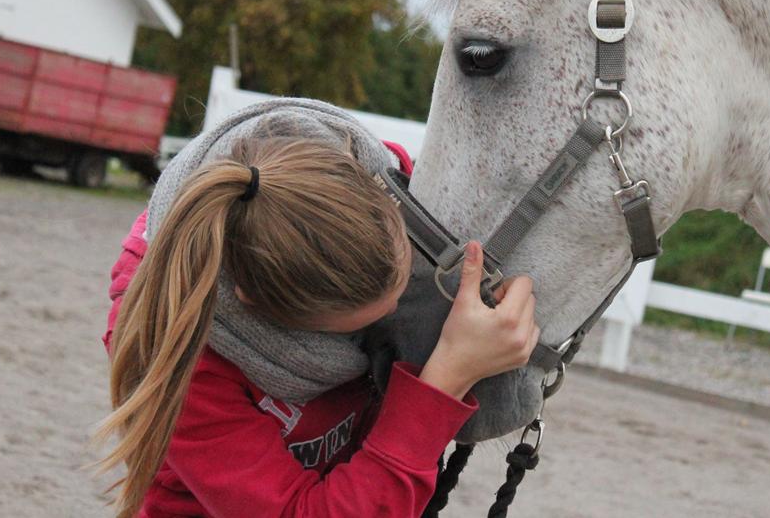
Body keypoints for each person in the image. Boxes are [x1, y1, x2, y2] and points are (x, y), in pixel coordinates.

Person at [93, 135, 540, 518]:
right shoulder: (179, 360)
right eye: (365, 323)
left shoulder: (349, 186)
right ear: (270, 314)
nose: (391, 314)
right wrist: (447, 378)